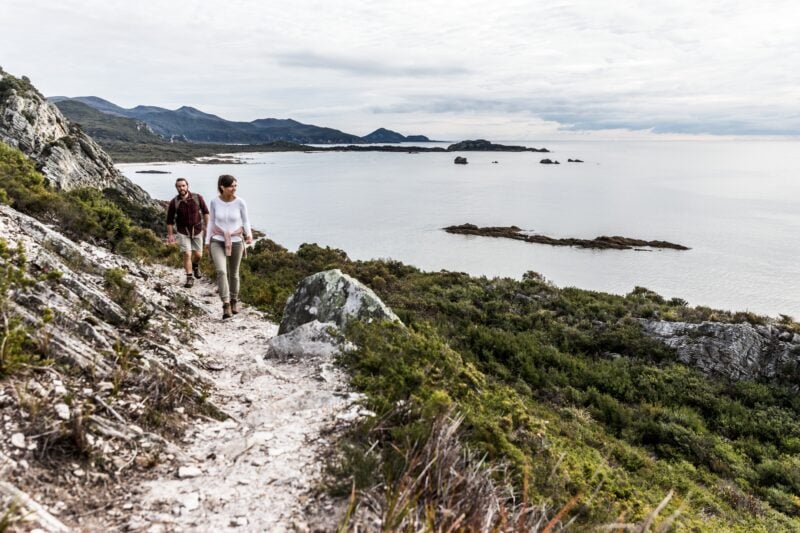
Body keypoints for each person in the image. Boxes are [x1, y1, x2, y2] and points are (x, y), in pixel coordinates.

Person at [205, 174, 253, 319]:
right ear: (222, 187)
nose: (234, 188)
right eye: (232, 186)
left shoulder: (240, 202)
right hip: (217, 240)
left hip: (236, 240)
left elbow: (245, 221)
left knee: (234, 273)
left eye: (235, 185)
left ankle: (234, 300)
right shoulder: (214, 202)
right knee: (221, 271)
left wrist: (249, 234)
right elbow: (211, 222)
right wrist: (207, 241)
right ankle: (225, 304)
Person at [166, 178, 209, 288]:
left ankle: (195, 265)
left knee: (198, 255)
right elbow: (169, 221)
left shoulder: (197, 198)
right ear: (176, 188)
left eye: (183, 185)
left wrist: (208, 227)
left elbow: (205, 212)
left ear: (187, 186)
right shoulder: (174, 202)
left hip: (198, 230)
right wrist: (170, 235)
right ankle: (189, 278)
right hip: (182, 231)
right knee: (187, 254)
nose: (181, 188)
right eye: (179, 186)